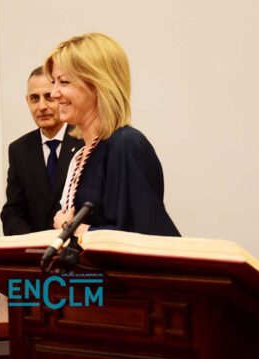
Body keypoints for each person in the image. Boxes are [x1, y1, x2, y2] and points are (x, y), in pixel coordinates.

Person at [43, 33, 180, 236]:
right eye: (53, 82)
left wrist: (70, 229)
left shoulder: (126, 145)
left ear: (98, 84)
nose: (54, 93)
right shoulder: (81, 154)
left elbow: (144, 236)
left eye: (64, 82)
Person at [0, 66, 83, 235]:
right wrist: (29, 242)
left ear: (60, 96)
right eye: (34, 98)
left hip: (77, 249)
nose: (42, 106)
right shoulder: (19, 149)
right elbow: (13, 210)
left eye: (48, 97)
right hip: (36, 254)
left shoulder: (84, 141)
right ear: (27, 101)